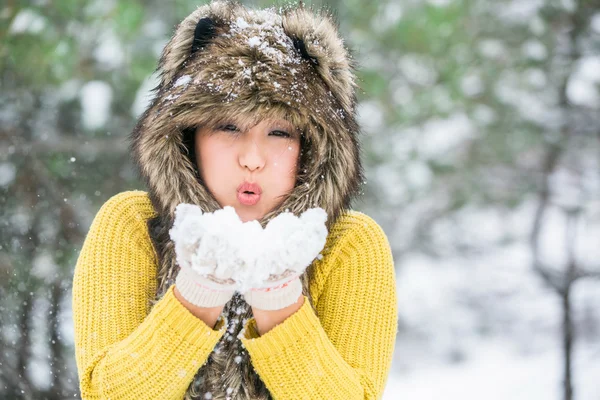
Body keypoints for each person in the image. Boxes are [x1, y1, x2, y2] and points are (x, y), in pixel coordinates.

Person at [72, 1, 398, 399]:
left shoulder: (349, 245)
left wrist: (278, 300)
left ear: (311, 147)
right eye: (228, 126)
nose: (252, 159)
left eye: (279, 132)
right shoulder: (132, 225)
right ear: (186, 136)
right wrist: (199, 292)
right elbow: (109, 394)